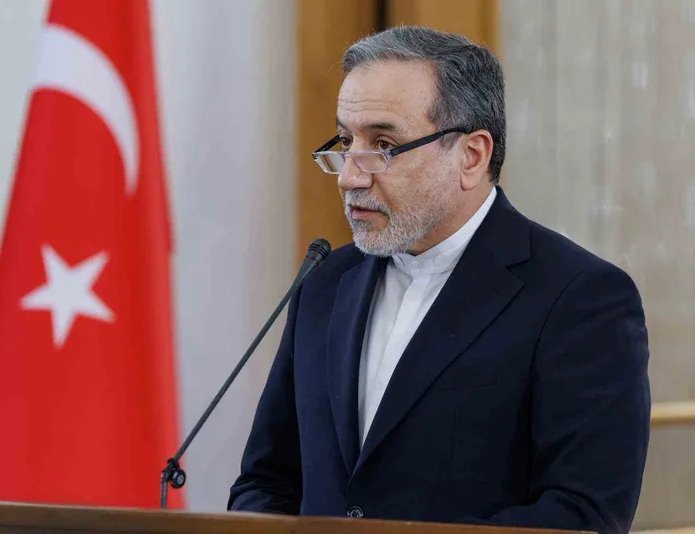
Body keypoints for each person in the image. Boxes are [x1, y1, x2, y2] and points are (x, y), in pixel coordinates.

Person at [228, 25, 650, 534]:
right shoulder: (324, 282)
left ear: (471, 155)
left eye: (383, 145)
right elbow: (267, 480)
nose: (350, 176)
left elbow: (584, 515)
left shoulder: (580, 298)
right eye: (345, 141)